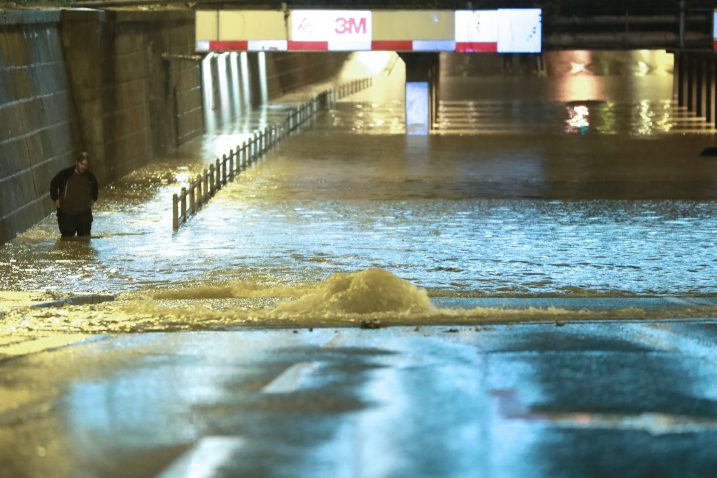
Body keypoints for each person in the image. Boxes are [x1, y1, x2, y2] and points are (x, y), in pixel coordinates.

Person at [50, 152, 98, 238]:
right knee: (67, 239)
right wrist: (55, 198)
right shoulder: (65, 174)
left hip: (84, 213)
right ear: (76, 162)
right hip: (66, 213)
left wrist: (93, 199)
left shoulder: (90, 177)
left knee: (85, 240)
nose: (83, 167)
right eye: (81, 164)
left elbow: (95, 189)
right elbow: (54, 183)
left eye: (86, 165)